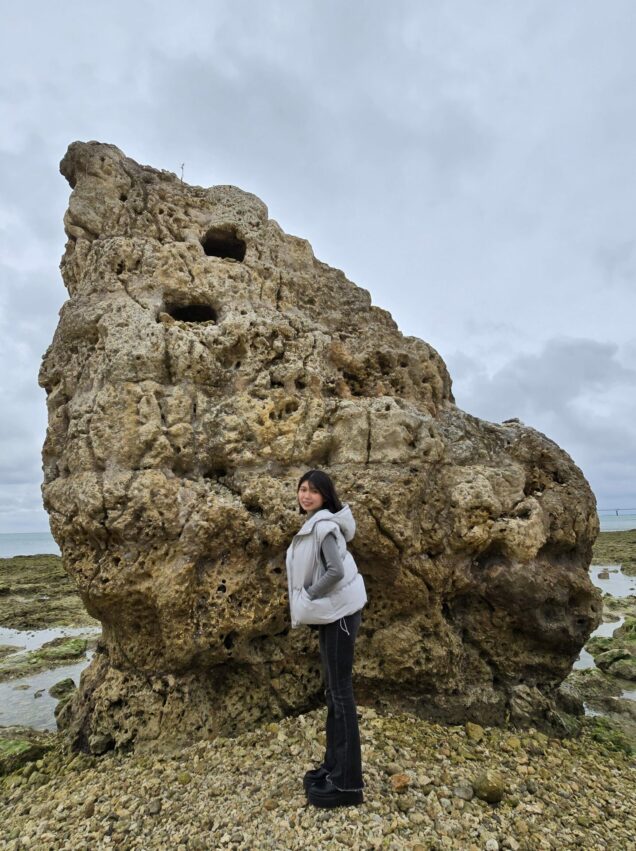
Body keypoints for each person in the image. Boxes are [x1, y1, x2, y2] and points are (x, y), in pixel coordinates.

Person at [285, 469, 367, 808]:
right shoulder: (316, 523)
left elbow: (334, 571)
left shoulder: (324, 527)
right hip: (333, 615)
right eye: (302, 489)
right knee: (333, 692)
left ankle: (347, 785)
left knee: (342, 693)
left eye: (313, 491)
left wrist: (307, 596)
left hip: (340, 616)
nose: (306, 496)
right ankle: (334, 767)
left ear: (325, 496)